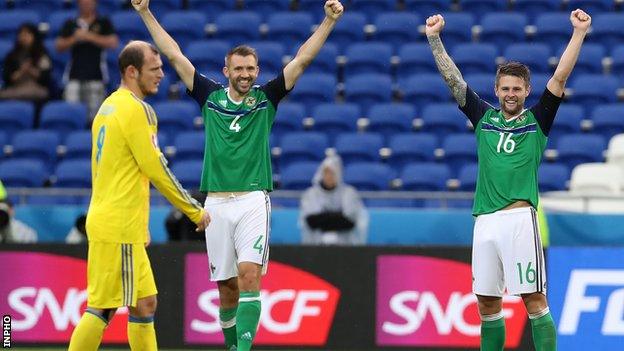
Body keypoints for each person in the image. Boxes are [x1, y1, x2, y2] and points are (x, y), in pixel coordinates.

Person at [133, 0, 343, 349]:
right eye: (239, 68)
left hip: (252, 199)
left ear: (258, 71)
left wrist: (328, 21)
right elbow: (173, 55)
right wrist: (144, 12)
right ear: (226, 70)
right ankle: (233, 346)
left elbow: (302, 60)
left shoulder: (266, 99)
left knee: (249, 276)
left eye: (251, 68)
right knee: (227, 288)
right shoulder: (209, 97)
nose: (246, 74)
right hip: (215, 203)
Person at [426, 9, 591, 351]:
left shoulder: (537, 121)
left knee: (534, 300)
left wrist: (579, 33)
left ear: (527, 90)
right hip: (484, 221)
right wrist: (434, 39)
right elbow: (454, 82)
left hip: (519, 220)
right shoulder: (483, 118)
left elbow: (559, 79)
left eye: (517, 88)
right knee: (487, 305)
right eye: (505, 88)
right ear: (496, 90)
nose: (511, 93)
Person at [67, 40, 210, 351]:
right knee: (102, 307)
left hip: (115, 220)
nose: (161, 75)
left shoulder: (108, 106)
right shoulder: (138, 110)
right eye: (154, 69)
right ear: (132, 71)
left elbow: (124, 172)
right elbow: (156, 169)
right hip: (118, 224)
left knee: (144, 303)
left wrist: (141, 223)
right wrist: (194, 211)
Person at [56, 0, 119, 120]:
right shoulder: (71, 23)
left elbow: (113, 42)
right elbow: (59, 45)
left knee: (95, 117)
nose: (86, 4)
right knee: (72, 114)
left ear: (95, 3)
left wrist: (89, 37)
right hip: (73, 75)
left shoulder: (103, 22)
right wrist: (75, 38)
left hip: (96, 75)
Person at [300, 155, 368, 245]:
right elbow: (311, 221)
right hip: (316, 245)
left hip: (345, 245)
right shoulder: (311, 194)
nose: (329, 176)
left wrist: (324, 217)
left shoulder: (349, 193)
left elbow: (350, 221)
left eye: (333, 173)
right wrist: (337, 216)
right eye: (326, 172)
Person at [0, 23, 52, 103]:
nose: (23, 37)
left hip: (36, 88)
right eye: (21, 34)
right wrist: (21, 71)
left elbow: (46, 78)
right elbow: (7, 78)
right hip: (15, 88)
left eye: (27, 34)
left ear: (34, 36)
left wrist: (30, 70)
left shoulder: (42, 54)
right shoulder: (11, 56)